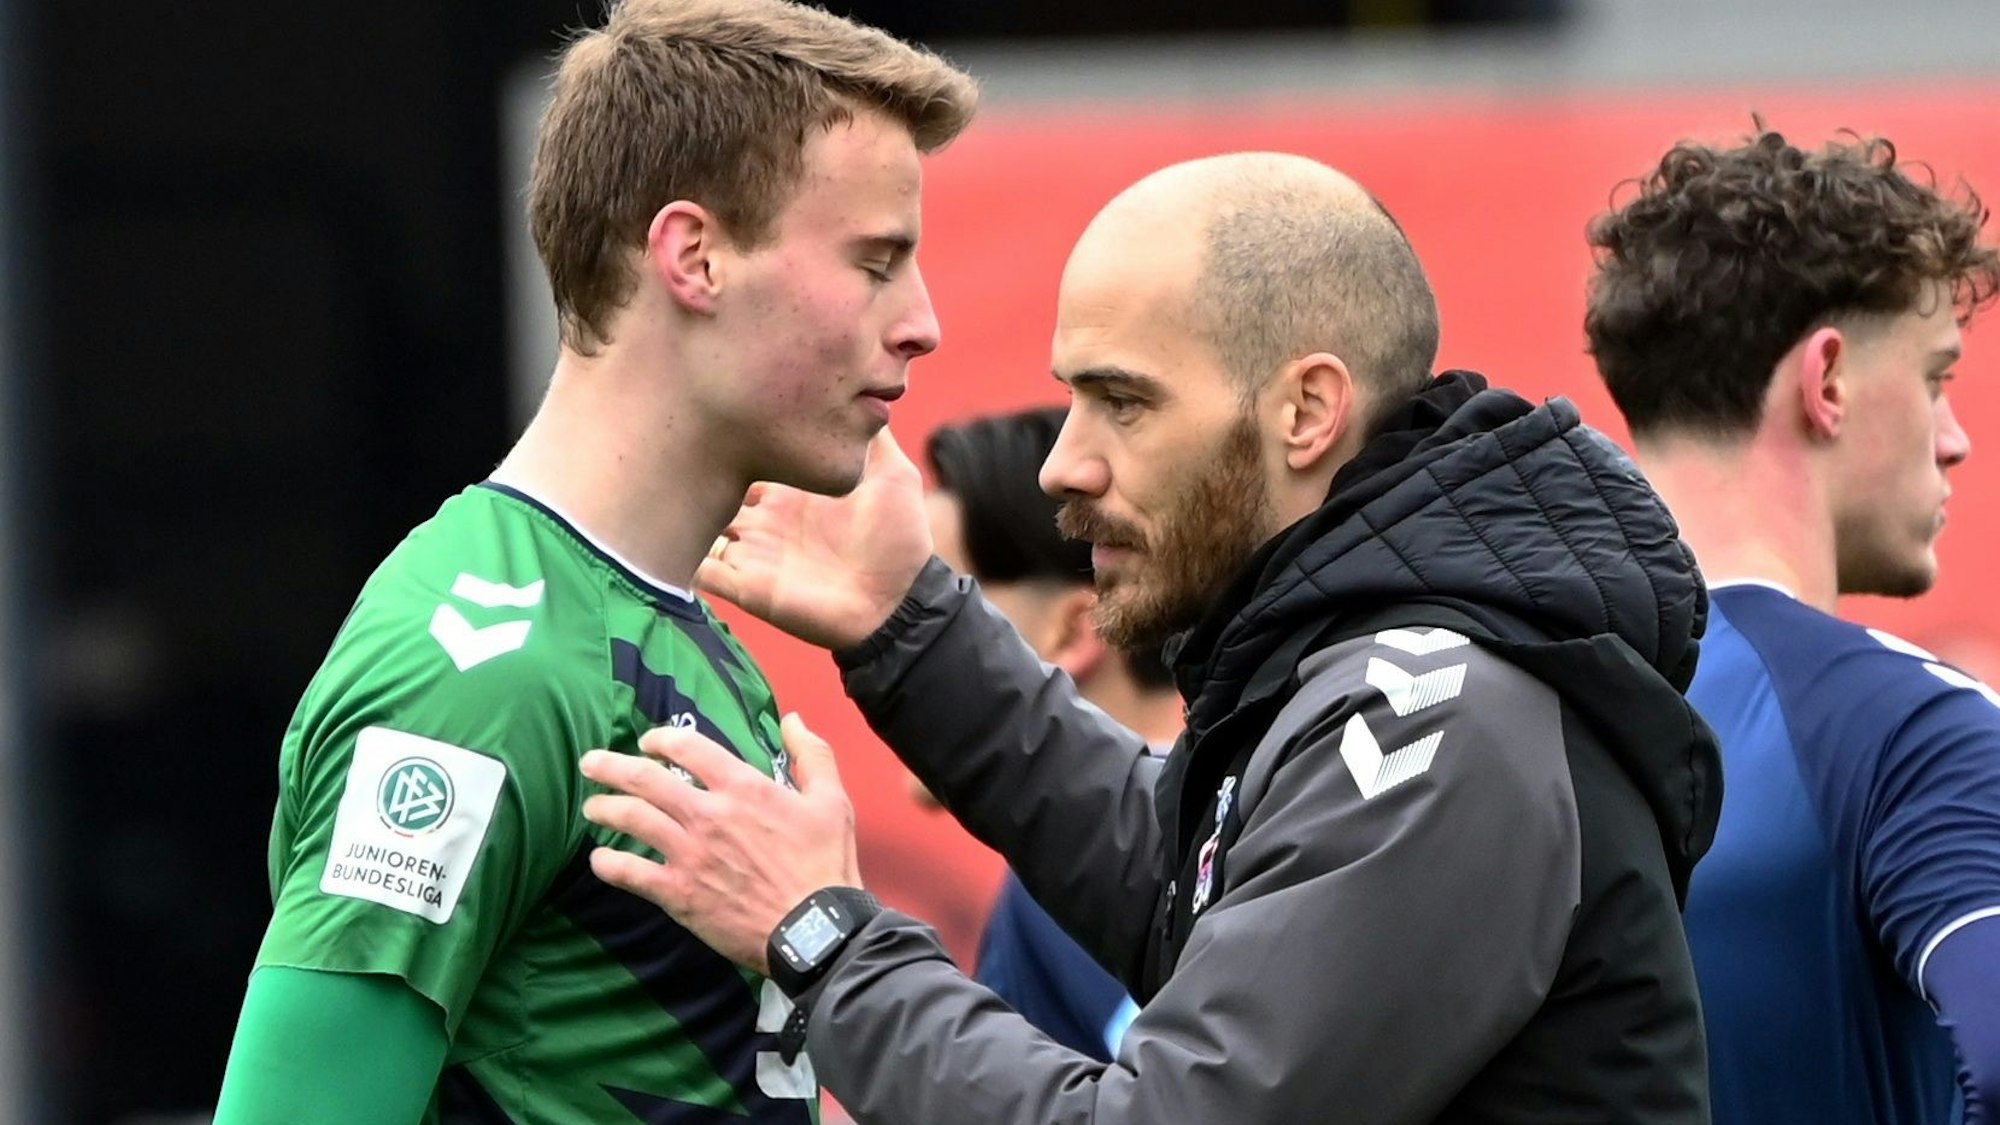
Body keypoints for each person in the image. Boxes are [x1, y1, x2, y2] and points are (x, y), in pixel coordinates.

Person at [580, 151, 1724, 1123]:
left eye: (1122, 402)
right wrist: (905, 627)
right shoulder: (1372, 654)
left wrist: (824, 940)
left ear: (1304, 412)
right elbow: (1182, 887)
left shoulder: (1435, 713)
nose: (1062, 463)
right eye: (1072, 397)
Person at [210, 0, 975, 1119]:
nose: (921, 323)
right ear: (693, 256)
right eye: (874, 262)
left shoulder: (667, 618)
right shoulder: (477, 673)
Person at [1584, 126, 2000, 1124]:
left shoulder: (1476, 705)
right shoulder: (1903, 730)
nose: (1955, 440)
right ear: (1826, 382)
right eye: (1935, 377)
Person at [923, 406, 1182, 1061]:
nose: (890, 622)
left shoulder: (1077, 875)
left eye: (934, 595)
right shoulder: (1255, 803)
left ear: (1070, 630)